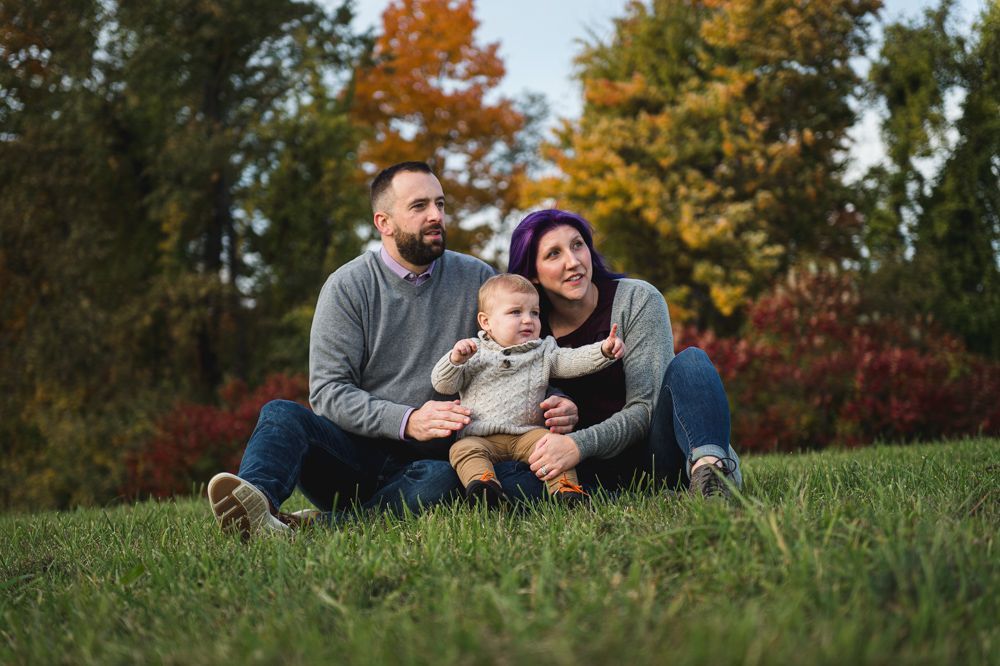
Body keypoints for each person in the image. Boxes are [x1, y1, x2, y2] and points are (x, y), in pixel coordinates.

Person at [206, 162, 579, 540]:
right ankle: (255, 505)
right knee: (282, 414)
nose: (436, 216)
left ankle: (312, 528)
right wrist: (407, 420)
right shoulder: (348, 287)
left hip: (434, 461)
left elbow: (520, 356)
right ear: (383, 222)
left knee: (446, 479)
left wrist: (556, 398)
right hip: (351, 457)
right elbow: (328, 393)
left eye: (440, 204)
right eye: (420, 207)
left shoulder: (477, 279)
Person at [503, 209, 742, 498]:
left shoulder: (636, 299)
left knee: (691, 362)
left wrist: (578, 443)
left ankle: (711, 477)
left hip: (657, 457)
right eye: (553, 254)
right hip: (589, 471)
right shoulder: (528, 329)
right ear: (532, 275)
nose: (573, 261)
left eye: (578, 245)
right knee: (509, 481)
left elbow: (646, 408)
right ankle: (627, 497)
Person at [432, 273, 624, 506]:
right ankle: (484, 487)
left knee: (552, 445)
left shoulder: (543, 351)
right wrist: (455, 359)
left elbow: (571, 360)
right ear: (486, 322)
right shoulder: (474, 352)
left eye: (534, 313)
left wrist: (602, 351)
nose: (528, 320)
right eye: (516, 312)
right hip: (480, 436)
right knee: (463, 449)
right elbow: (443, 384)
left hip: (528, 434)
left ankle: (567, 491)